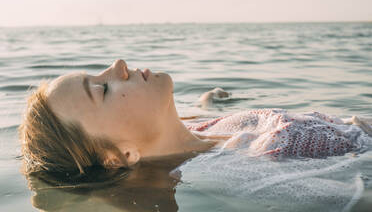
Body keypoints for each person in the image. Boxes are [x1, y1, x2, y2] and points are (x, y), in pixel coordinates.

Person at [18, 59, 372, 181]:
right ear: (121, 157)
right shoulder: (247, 173)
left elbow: (201, 112)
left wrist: (213, 96)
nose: (119, 65)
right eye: (103, 90)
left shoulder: (200, 128)